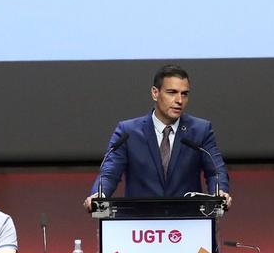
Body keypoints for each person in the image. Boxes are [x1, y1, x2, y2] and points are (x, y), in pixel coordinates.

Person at [85, 64, 230, 206]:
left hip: (186, 220)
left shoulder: (200, 130)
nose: (179, 100)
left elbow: (215, 171)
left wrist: (220, 192)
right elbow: (110, 172)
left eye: (184, 94)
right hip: (140, 220)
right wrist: (100, 195)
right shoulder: (128, 132)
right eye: (172, 92)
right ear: (155, 93)